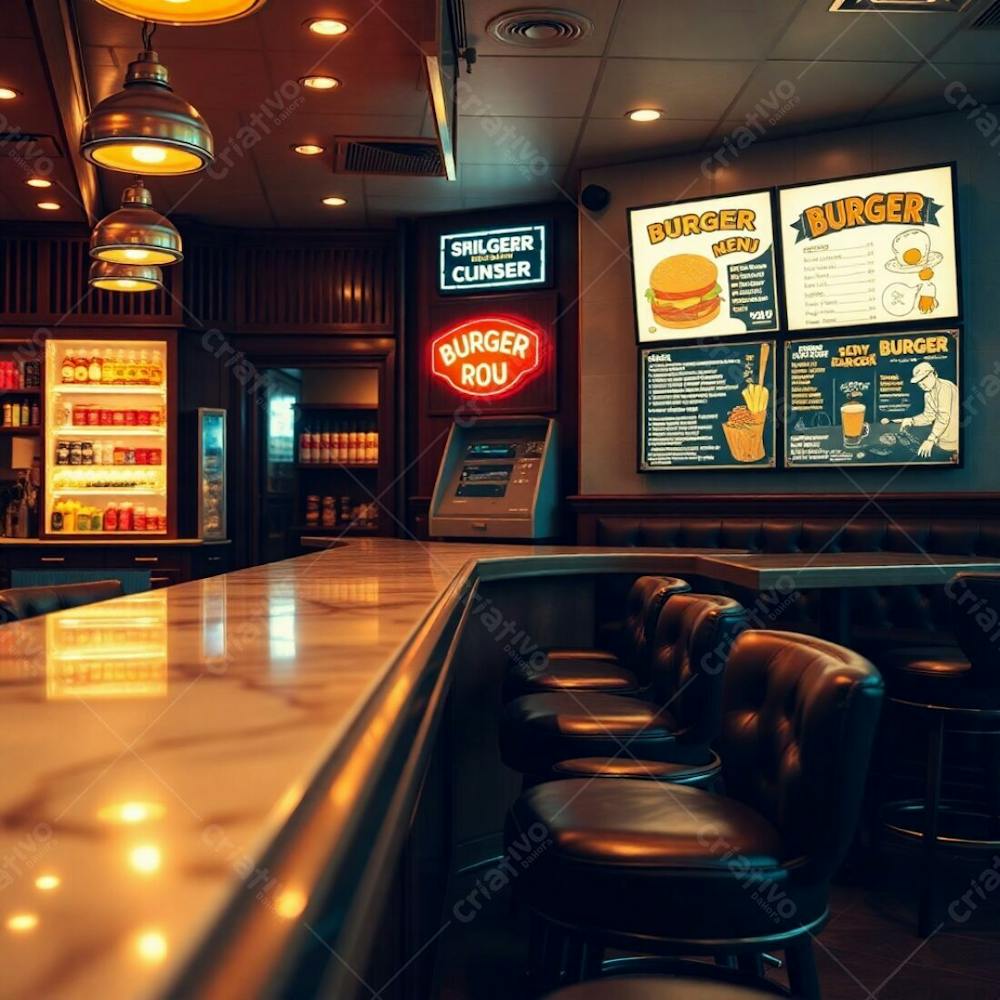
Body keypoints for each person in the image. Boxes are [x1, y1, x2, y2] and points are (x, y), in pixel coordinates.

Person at [900, 360, 958, 458]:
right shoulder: (928, 394)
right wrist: (912, 420)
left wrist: (930, 439)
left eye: (923, 379)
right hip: (941, 442)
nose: (921, 384)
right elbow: (928, 416)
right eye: (918, 382)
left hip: (956, 443)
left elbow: (943, 417)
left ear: (934, 374)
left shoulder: (945, 387)